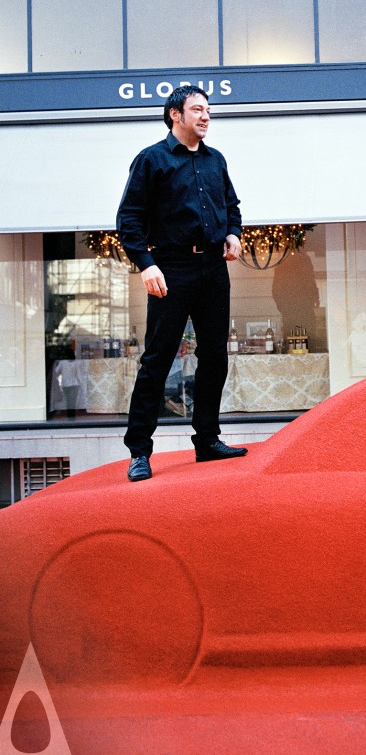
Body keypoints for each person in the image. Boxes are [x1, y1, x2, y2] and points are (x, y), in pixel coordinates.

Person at [117, 85, 248, 482]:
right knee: (158, 359)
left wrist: (233, 234)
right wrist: (146, 264)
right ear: (176, 114)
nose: (205, 116)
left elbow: (233, 207)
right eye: (197, 109)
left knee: (215, 356)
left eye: (208, 110)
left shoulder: (216, 160)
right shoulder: (151, 161)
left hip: (212, 269)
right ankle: (139, 451)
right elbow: (129, 220)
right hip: (170, 268)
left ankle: (207, 440)